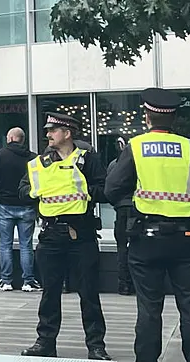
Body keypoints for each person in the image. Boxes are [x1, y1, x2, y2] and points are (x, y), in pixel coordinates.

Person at [105, 88, 190, 362]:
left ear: (147, 116)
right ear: (174, 118)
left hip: (146, 238)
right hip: (187, 237)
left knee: (149, 308)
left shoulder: (137, 146)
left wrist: (133, 204)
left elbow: (113, 189)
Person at [18, 113, 111, 360]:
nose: (48, 134)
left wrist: (83, 191)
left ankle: (96, 345)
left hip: (81, 234)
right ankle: (45, 342)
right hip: (50, 235)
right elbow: (23, 190)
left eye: (53, 130)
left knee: (89, 293)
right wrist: (35, 192)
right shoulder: (40, 162)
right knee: (50, 293)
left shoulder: (88, 160)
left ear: (67, 133)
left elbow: (105, 190)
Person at [0, 127, 41, 292]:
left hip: (5, 205)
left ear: (10, 138)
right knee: (26, 245)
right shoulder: (33, 158)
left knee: (5, 244)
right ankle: (28, 281)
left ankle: (6, 281)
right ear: (22, 139)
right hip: (26, 205)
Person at [106, 136, 134, 296]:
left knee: (122, 248)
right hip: (137, 209)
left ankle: (124, 285)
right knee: (137, 248)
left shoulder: (113, 165)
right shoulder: (139, 164)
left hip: (121, 210)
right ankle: (135, 283)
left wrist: (116, 203)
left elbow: (109, 189)